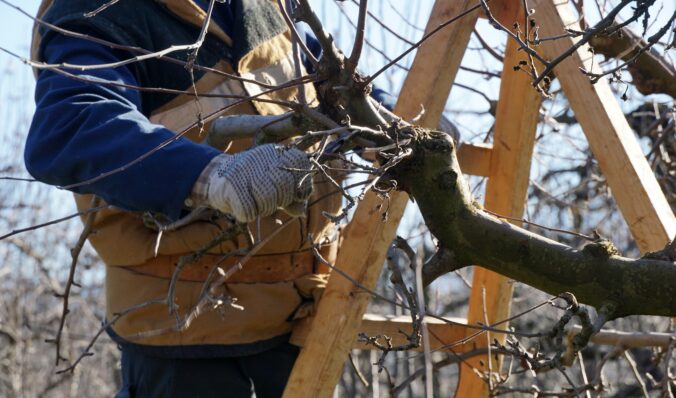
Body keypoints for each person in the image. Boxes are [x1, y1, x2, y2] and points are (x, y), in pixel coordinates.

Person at [25, 1, 398, 396]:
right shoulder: (99, 10)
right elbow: (71, 125)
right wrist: (211, 176)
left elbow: (326, 70)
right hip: (189, 337)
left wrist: (394, 117)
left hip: (303, 319)